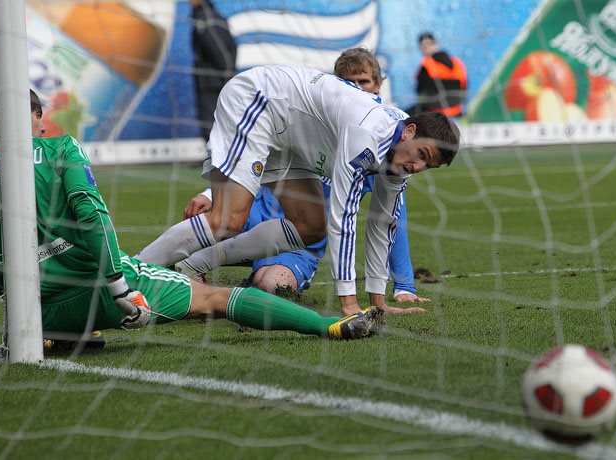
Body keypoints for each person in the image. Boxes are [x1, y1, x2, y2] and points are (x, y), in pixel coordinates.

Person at [0, 85, 385, 366]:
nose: (42, 125)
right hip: (109, 292)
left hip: (34, 315)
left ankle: (67, 335)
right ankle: (329, 326)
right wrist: (120, 288)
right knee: (214, 298)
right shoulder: (61, 149)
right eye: (36, 117)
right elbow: (93, 217)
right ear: (20, 117)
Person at [135, 64, 460, 317]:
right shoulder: (366, 135)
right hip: (260, 99)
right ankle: (127, 273)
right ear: (409, 132)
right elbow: (344, 220)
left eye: (427, 165)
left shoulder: (400, 156)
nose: (418, 167)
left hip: (291, 135)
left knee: (310, 226)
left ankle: (190, 267)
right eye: (421, 155)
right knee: (228, 220)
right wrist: (349, 304)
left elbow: (382, 225)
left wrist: (378, 303)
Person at [191, 0, 237, 141]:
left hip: (212, 84)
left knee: (211, 125)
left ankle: (217, 153)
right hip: (214, 81)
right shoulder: (212, 16)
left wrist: (227, 74)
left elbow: (219, 49)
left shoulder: (205, 19)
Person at [408, 32, 467, 117]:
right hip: (456, 110)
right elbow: (464, 86)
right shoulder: (457, 62)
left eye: (426, 46)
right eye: (423, 47)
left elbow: (420, 92)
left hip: (434, 113)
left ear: (435, 44)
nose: (425, 49)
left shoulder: (426, 65)